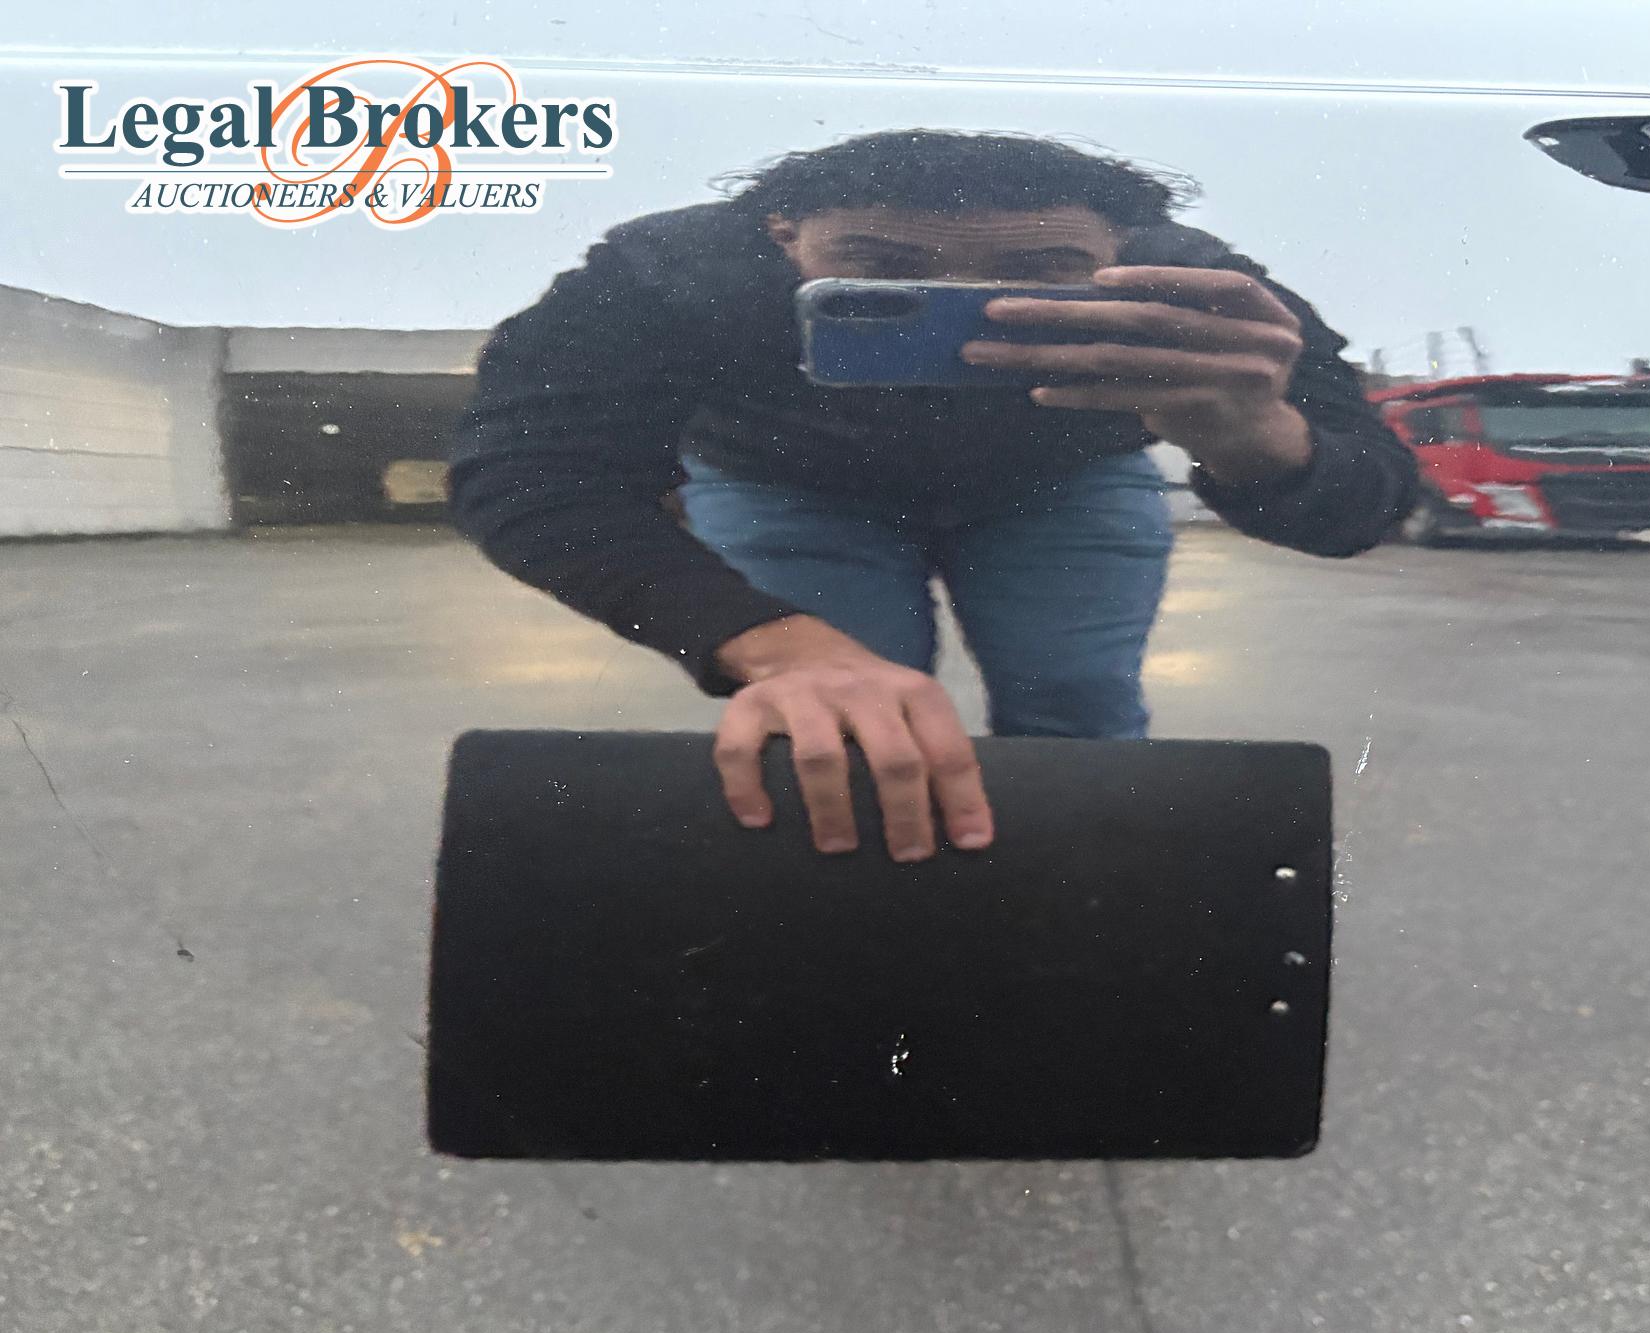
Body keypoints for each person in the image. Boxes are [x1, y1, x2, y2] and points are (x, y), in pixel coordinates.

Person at [445, 129, 1419, 863]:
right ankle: (867, 918)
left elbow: (1365, 499)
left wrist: (1258, 441)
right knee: (838, 726)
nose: (974, 304)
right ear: (778, 238)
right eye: (881, 271)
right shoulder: (669, 274)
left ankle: (1069, 896)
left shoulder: (1194, 281)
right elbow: (531, 466)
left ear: (1124, 246)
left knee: (1075, 702)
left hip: (1060, 483)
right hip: (787, 482)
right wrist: (769, 642)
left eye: (1041, 275)